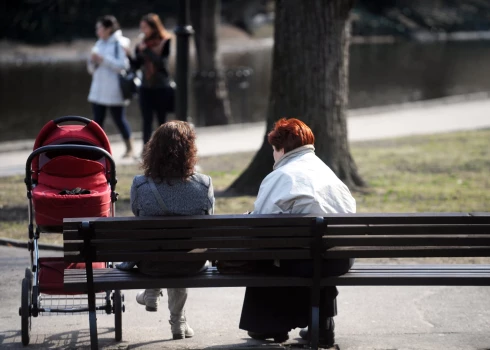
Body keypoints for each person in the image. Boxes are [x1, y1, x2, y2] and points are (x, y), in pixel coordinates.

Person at [238, 118, 356, 348]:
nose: (273, 155)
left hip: (304, 262)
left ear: (282, 149)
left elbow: (260, 228)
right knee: (315, 248)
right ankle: (321, 325)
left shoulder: (280, 177)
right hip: (339, 260)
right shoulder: (328, 173)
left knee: (272, 256)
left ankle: (269, 325)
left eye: (274, 149)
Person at [117, 120, 214, 340]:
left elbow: (137, 213)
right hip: (191, 263)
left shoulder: (140, 185)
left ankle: (152, 292)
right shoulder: (204, 185)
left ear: (154, 149)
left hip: (151, 264)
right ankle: (178, 323)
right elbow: (207, 221)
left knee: (162, 248)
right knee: (184, 251)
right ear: (190, 150)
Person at [87, 15, 134, 158]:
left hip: (114, 90)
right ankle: (97, 151)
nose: (97, 31)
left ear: (108, 29)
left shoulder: (120, 43)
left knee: (119, 119)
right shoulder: (99, 43)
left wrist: (103, 59)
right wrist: (93, 62)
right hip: (98, 89)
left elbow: (122, 66)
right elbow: (91, 69)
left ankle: (129, 148)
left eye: (99, 28)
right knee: (97, 121)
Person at [129, 13, 174, 147]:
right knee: (146, 121)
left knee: (162, 121)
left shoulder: (165, 41)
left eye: (145, 27)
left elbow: (162, 63)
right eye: (141, 27)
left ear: (154, 28)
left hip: (161, 86)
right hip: (145, 87)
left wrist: (147, 51)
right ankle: (146, 151)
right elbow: (136, 66)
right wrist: (128, 56)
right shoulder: (141, 44)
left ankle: (164, 150)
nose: (142, 30)